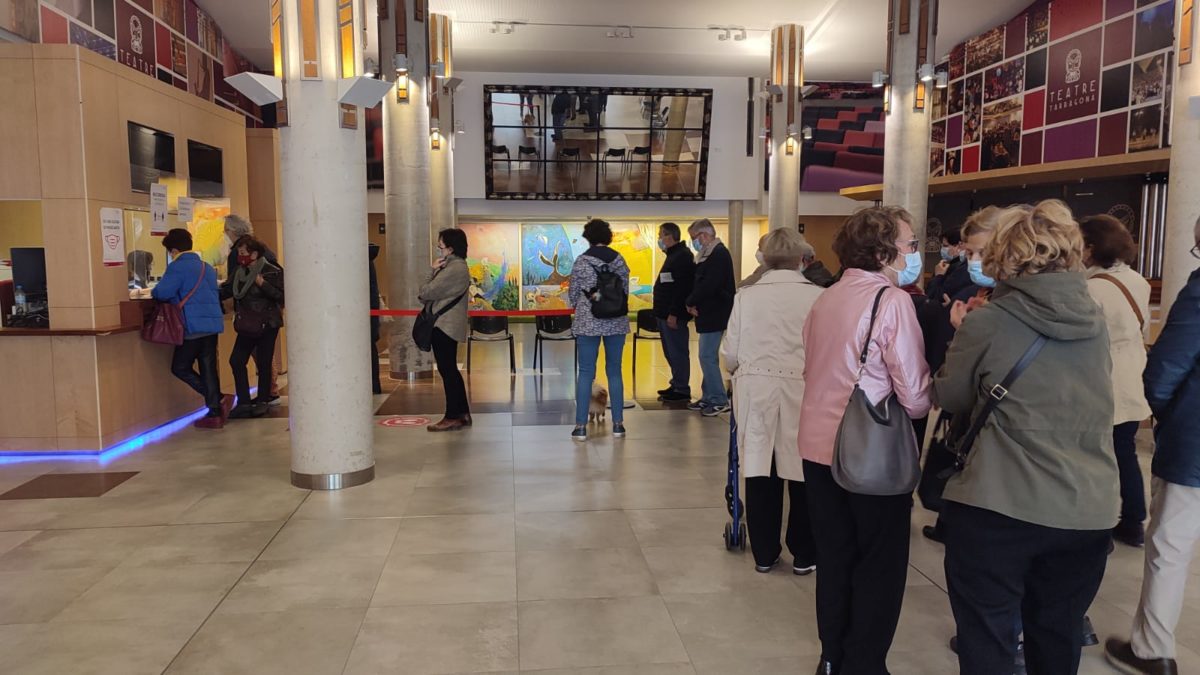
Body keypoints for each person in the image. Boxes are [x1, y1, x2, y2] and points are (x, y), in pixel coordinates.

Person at [934, 200, 1117, 675]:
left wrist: (960, 339)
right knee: (1057, 635)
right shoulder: (1094, 320)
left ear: (1002, 254)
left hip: (1000, 504)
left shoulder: (988, 320)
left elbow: (951, 396)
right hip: (1087, 507)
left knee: (987, 637)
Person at [798, 207, 932, 675]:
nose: (915, 253)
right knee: (879, 563)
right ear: (883, 251)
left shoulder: (825, 298)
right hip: (868, 449)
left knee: (834, 557)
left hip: (817, 446)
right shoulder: (891, 301)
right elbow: (914, 396)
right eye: (910, 244)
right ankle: (865, 663)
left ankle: (832, 655)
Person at [1104, 216, 1200, 675]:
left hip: (1195, 441)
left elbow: (1166, 368)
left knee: (1169, 545)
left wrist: (1160, 409)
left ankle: (1152, 649)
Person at [722, 229, 822, 575]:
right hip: (803, 388)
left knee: (760, 468)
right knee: (802, 471)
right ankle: (805, 553)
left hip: (756, 386)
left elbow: (730, 351)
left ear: (764, 259)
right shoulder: (818, 296)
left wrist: (736, 371)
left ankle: (764, 553)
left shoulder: (746, 296)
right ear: (802, 258)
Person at [1081, 214, 1152, 547]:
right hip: (1132, 378)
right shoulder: (1138, 281)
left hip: (1101, 380)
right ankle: (1134, 521)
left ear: (1091, 248)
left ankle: (1099, 524)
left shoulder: (1091, 288)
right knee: (1124, 453)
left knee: (1096, 457)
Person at [152, 228, 228, 429]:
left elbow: (162, 292)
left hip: (191, 326)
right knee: (208, 367)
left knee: (180, 367)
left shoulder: (178, 267)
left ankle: (217, 400)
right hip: (211, 325)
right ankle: (215, 410)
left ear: (174, 250)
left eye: (170, 252)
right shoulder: (207, 267)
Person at [568, 219, 631, 442]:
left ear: (588, 238)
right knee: (615, 370)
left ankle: (581, 427)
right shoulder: (620, 261)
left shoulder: (582, 262)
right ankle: (618, 425)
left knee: (585, 372)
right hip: (616, 321)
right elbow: (625, 290)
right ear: (608, 237)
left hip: (588, 322)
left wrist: (584, 304)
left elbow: (574, 294)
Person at [222, 236, 285, 419]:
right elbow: (227, 290)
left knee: (264, 362)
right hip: (246, 323)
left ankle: (263, 401)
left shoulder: (271, 271)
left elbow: (281, 296)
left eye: (243, 253)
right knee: (236, 360)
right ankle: (243, 402)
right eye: (239, 253)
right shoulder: (239, 272)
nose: (240, 257)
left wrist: (262, 283)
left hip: (267, 323)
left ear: (255, 254)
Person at [420, 228, 472, 432]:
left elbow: (425, 292)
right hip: (448, 326)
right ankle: (462, 413)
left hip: (444, 326)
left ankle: (452, 416)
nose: (438, 250)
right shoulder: (455, 267)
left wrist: (431, 270)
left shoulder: (454, 269)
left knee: (448, 371)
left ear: (450, 248)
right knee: (450, 370)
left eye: (440, 245)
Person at [684, 218, 735, 416]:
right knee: (707, 356)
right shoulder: (707, 254)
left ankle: (719, 399)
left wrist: (690, 301)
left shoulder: (719, 254)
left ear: (704, 235)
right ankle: (708, 396)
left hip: (715, 312)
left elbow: (710, 285)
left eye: (694, 238)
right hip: (708, 311)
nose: (694, 242)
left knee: (706, 356)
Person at [651, 222, 695, 402]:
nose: (659, 239)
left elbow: (681, 289)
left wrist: (674, 313)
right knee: (670, 351)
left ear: (670, 236)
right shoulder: (673, 255)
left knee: (677, 351)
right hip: (664, 313)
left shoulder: (682, 256)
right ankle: (676, 383)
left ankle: (682, 388)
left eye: (661, 235)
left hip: (672, 315)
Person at [926, 227, 971, 304]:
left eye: (946, 246)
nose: (943, 249)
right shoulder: (952, 265)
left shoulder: (958, 268)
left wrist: (938, 276)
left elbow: (935, 296)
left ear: (959, 245)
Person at [369, 242, 383, 395]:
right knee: (370, 348)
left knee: (368, 349)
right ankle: (374, 384)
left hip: (367, 314)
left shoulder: (360, 260)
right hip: (370, 313)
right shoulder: (368, 260)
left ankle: (372, 385)